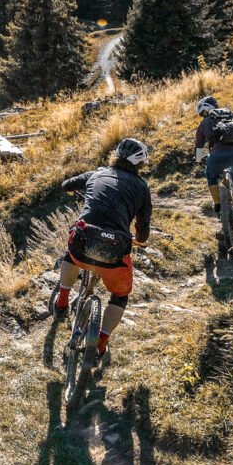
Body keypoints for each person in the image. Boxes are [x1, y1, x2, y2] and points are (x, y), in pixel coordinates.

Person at [51, 136, 154, 362]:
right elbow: (143, 224)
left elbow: (66, 185)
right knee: (119, 296)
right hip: (115, 251)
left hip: (84, 239)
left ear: (116, 155)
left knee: (71, 254)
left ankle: (61, 302)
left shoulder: (97, 174)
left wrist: (80, 190)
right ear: (141, 164)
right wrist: (141, 241)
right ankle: (100, 344)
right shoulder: (142, 187)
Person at [193, 95, 233, 225]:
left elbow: (199, 149)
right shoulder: (232, 114)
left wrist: (198, 160)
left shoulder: (204, 122)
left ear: (204, 110)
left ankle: (218, 208)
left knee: (211, 176)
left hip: (218, 155)